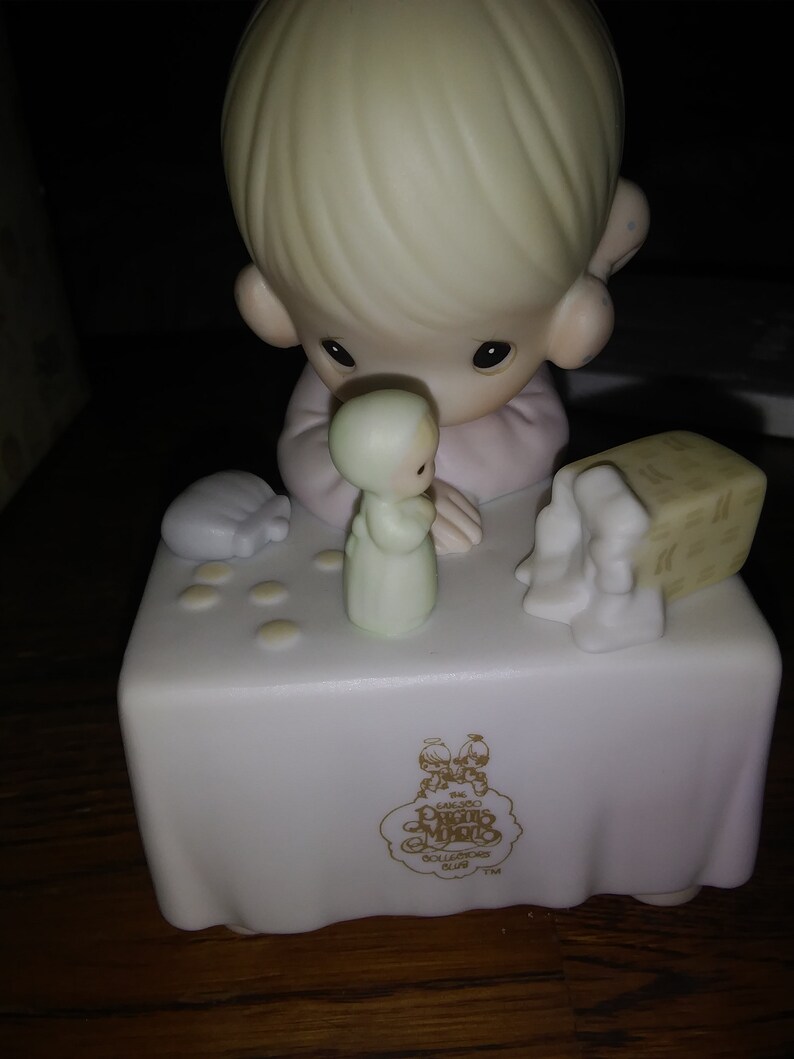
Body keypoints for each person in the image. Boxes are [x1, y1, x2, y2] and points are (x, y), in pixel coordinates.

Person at [222, 0, 649, 553]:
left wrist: (417, 474)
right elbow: (306, 452)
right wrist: (392, 497)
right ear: (275, 306)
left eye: (490, 354)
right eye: (339, 350)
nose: (413, 394)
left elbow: (539, 439)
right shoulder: (333, 398)